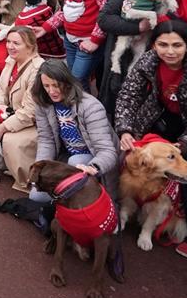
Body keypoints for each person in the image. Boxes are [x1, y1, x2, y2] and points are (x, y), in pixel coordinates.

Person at [112, 19, 187, 259]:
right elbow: (128, 94)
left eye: (177, 45)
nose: (170, 51)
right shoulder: (149, 60)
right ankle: (130, 210)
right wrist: (125, 129)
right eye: (163, 44)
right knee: (138, 157)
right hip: (164, 117)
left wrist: (184, 144)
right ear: (154, 45)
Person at [30, 59, 120, 203]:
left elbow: (108, 151)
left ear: (66, 82)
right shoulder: (43, 103)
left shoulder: (90, 106)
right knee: (36, 196)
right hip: (67, 156)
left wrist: (93, 167)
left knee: (75, 161)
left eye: (56, 85)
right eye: (46, 86)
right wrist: (40, 167)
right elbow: (46, 140)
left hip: (93, 160)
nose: (51, 91)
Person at [0, 26, 45, 191]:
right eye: (8, 41)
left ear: (31, 46)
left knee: (11, 140)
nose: (10, 46)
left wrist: (3, 127)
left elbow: (30, 112)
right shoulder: (12, 60)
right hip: (10, 112)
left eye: (16, 43)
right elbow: (0, 89)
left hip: (34, 122)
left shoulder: (38, 69)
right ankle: (1, 159)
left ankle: (27, 181)